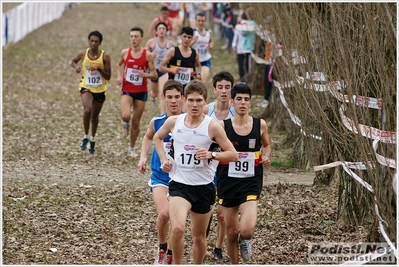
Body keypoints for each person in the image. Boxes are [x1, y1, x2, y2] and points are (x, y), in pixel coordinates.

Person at [152, 79, 238, 264]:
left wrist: (211, 155)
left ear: (206, 102)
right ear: (184, 100)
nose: (194, 104)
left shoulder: (213, 126)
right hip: (179, 185)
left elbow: (233, 155)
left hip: (203, 187)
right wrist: (164, 159)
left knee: (199, 238)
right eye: (191, 100)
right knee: (177, 229)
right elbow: (157, 138)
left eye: (199, 100)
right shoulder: (174, 122)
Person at [216, 83, 272, 264]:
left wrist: (266, 156)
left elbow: (267, 145)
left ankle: (244, 240)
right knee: (231, 232)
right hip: (228, 182)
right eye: (238, 99)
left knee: (246, 231)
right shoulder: (222, 127)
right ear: (231, 102)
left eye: (246, 99)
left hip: (251, 182)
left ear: (250, 103)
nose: (242, 103)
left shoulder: (260, 125)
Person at [137, 79, 184, 265]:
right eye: (169, 97)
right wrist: (143, 156)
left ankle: (171, 253)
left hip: (181, 178)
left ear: (182, 98)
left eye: (177, 97)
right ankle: (162, 247)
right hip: (159, 176)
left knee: (176, 220)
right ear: (164, 98)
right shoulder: (157, 121)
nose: (173, 101)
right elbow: (148, 137)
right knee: (164, 214)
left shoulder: (188, 123)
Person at [203, 71, 235, 261]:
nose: (224, 91)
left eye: (227, 87)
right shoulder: (206, 110)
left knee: (222, 214)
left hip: (227, 165)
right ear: (214, 89)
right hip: (207, 164)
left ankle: (218, 247)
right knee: (207, 207)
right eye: (220, 87)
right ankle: (203, 236)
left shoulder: (237, 109)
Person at [116, 26, 157, 158]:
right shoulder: (125, 52)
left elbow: (155, 75)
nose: (133, 39)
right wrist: (118, 76)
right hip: (127, 89)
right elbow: (118, 65)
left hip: (141, 91)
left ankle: (131, 148)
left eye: (136, 37)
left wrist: (144, 74)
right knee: (126, 115)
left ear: (141, 39)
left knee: (136, 121)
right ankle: (124, 123)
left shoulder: (148, 55)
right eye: (131, 36)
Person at [70, 30, 111, 154]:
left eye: (96, 41)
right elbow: (73, 61)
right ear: (88, 41)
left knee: (94, 116)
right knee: (87, 110)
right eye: (91, 41)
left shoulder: (105, 56)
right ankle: (85, 136)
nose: (93, 43)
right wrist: (76, 67)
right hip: (86, 86)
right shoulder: (83, 53)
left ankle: (93, 138)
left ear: (100, 43)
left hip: (100, 89)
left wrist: (99, 69)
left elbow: (108, 76)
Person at [159, 26, 202, 112]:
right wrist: (171, 70)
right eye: (185, 36)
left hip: (187, 87)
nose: (186, 39)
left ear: (192, 38)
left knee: (184, 113)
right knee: (173, 112)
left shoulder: (194, 53)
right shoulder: (173, 51)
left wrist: (198, 74)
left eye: (189, 37)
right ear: (181, 37)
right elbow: (161, 67)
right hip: (173, 87)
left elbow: (198, 65)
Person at [145, 21, 175, 113]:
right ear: (156, 31)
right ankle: (153, 98)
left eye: (163, 29)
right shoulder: (151, 42)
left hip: (164, 70)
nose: (161, 31)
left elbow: (174, 55)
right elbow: (144, 54)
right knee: (155, 92)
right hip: (153, 70)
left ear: (166, 31)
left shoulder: (170, 44)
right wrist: (150, 54)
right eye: (159, 29)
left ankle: (163, 112)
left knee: (163, 91)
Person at [258, 15, 280, 108]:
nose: (266, 26)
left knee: (270, 81)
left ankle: (268, 100)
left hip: (274, 62)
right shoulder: (267, 33)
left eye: (267, 24)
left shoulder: (276, 35)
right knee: (267, 80)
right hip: (268, 60)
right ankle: (266, 99)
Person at [232, 9, 256, 83]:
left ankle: (243, 79)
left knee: (241, 65)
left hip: (241, 48)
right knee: (247, 64)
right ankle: (246, 79)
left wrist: (234, 46)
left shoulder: (240, 25)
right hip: (247, 48)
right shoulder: (251, 24)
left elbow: (237, 37)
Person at [190, 12, 214, 86]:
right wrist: (193, 41)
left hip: (205, 60)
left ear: (205, 21)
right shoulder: (193, 33)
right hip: (194, 62)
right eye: (199, 21)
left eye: (202, 21)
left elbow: (211, 41)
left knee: (202, 82)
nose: (201, 23)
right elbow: (185, 46)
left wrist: (211, 45)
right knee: (194, 83)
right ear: (196, 21)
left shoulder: (208, 32)